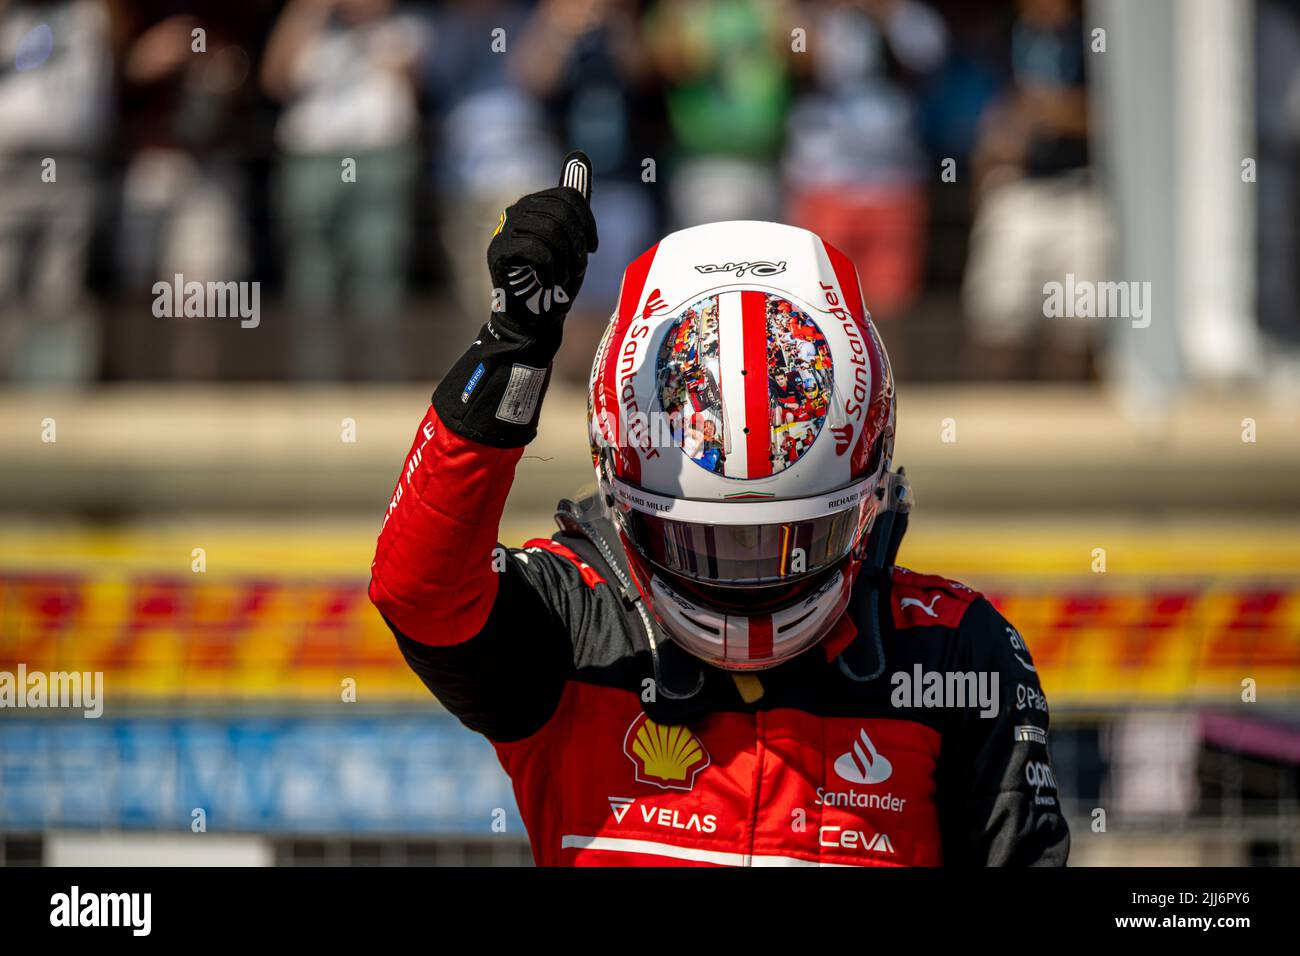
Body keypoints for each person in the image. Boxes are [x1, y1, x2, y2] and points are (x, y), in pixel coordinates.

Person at [369, 154, 1069, 867]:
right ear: (616, 483)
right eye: (703, 543)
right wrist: (514, 345)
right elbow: (420, 592)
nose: (748, 580)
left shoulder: (952, 652)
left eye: (789, 539)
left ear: (871, 478)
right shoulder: (575, 625)